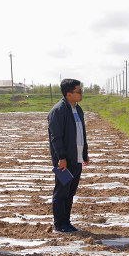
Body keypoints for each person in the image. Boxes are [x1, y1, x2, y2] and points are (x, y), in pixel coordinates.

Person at [47, 78, 89, 233]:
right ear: (68, 94)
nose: (81, 93)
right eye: (78, 91)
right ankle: (59, 224)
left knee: (70, 192)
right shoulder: (58, 111)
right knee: (61, 192)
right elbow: (56, 138)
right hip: (64, 161)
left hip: (76, 158)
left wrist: (84, 153)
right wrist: (61, 158)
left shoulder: (78, 109)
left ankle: (66, 222)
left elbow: (82, 133)